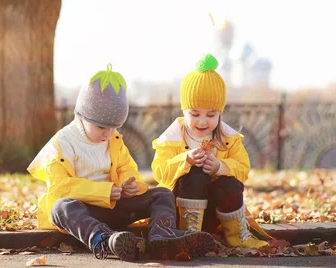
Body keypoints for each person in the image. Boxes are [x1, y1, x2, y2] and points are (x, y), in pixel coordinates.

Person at [28, 63, 215, 261]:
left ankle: (162, 236)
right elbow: (60, 188)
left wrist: (130, 184)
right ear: (82, 116)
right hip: (84, 214)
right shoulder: (62, 143)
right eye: (101, 127)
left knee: (162, 194)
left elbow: (126, 168)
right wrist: (105, 191)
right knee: (60, 207)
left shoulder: (113, 139)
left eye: (114, 127)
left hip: (116, 206)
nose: (108, 133)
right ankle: (105, 240)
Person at [151, 54, 272, 249]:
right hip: (180, 209)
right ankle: (190, 234)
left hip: (216, 211)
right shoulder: (172, 138)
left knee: (230, 182)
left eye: (211, 114)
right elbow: (160, 171)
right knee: (195, 174)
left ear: (220, 113)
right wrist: (186, 160)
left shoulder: (227, 139)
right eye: (195, 114)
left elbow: (243, 170)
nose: (202, 121)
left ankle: (236, 236)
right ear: (184, 111)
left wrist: (220, 167)